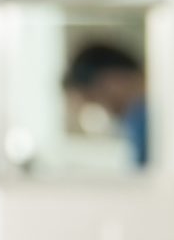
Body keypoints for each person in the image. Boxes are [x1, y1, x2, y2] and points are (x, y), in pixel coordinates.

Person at [62, 39, 151, 168]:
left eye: (96, 100)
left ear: (111, 80)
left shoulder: (141, 118)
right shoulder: (135, 120)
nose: (106, 111)